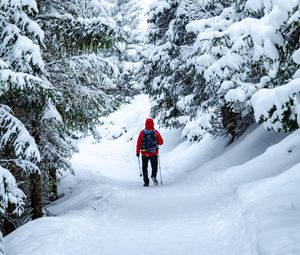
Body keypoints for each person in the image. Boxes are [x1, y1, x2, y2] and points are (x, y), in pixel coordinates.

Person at [136, 118, 163, 186]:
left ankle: (146, 181)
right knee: (154, 166)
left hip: (144, 153)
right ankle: (153, 176)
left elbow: (139, 143)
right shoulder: (155, 132)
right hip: (153, 152)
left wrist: (137, 152)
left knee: (145, 167)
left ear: (145, 123)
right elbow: (161, 142)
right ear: (153, 123)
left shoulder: (142, 132)